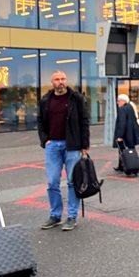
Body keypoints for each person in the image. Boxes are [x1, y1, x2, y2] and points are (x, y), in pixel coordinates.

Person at [36, 70, 90, 231]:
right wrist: (45, 140)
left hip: (72, 145)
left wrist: (84, 145)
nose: (60, 81)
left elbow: (84, 121)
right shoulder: (46, 100)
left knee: (73, 182)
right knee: (52, 182)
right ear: (52, 82)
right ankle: (55, 215)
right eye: (57, 79)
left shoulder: (76, 98)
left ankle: (72, 216)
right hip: (53, 145)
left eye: (63, 79)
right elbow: (40, 121)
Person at [113, 93, 139, 172]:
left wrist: (120, 136)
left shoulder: (122, 109)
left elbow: (122, 123)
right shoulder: (130, 107)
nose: (117, 102)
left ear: (123, 101)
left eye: (118, 101)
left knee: (122, 150)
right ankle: (130, 165)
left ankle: (125, 166)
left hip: (125, 134)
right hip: (131, 133)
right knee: (131, 149)